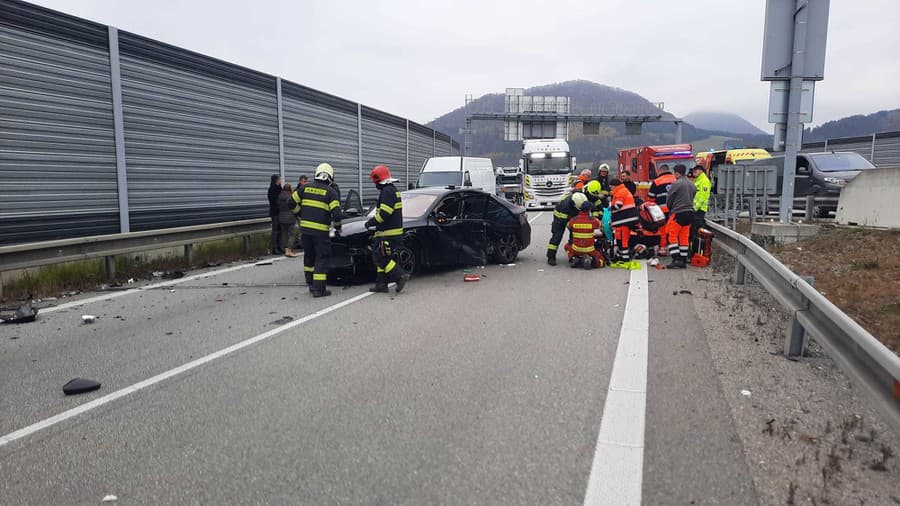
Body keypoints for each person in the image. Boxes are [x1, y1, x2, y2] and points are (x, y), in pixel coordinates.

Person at [292, 163, 342, 297]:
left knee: (309, 257)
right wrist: (337, 227)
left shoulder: (305, 188)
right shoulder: (331, 192)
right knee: (321, 258)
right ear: (330, 176)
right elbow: (337, 214)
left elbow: (290, 203)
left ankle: (310, 285)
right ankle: (319, 289)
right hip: (320, 233)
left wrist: (300, 213)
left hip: (306, 231)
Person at [365, 165, 409, 294]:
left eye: (375, 182)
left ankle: (400, 276)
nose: (375, 184)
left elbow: (385, 213)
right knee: (381, 257)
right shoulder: (391, 190)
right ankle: (381, 285)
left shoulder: (387, 191)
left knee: (381, 259)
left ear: (379, 180)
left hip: (388, 233)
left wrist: (370, 223)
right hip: (389, 233)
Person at [665, 164, 697, 269]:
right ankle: (683, 258)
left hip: (678, 213)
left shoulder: (676, 184)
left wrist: (669, 209)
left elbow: (669, 199)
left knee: (671, 235)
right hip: (690, 213)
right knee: (684, 236)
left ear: (677, 173)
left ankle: (676, 258)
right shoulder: (692, 184)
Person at [564, 198, 605, 269]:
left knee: (567, 246)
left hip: (576, 249)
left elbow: (568, 226)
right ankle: (593, 261)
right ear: (589, 210)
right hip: (590, 250)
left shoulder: (573, 220)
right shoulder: (594, 221)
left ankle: (573, 258)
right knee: (602, 260)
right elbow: (601, 227)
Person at [546, 191, 585, 266]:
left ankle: (573, 255)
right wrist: (572, 226)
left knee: (574, 236)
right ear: (573, 204)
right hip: (559, 218)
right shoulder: (565, 205)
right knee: (557, 237)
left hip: (572, 216)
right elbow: (563, 220)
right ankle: (551, 257)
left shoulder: (581, 199)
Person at [609, 178, 640, 260]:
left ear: (615, 186)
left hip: (623, 219)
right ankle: (621, 256)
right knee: (622, 239)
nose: (611, 189)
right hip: (627, 219)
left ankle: (625, 258)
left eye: (611, 187)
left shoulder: (620, 192)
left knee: (623, 240)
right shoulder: (624, 190)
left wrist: (610, 208)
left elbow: (618, 205)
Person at [276, 184, 299, 257]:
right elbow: (292, 206)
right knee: (292, 234)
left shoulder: (279, 196)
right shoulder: (290, 197)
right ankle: (289, 250)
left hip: (281, 217)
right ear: (290, 189)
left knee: (284, 234)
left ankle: (285, 250)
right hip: (290, 217)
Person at [288, 175, 309, 251]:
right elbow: (292, 203)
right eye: (304, 181)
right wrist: (299, 212)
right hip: (299, 214)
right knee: (302, 230)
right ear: (300, 181)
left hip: (303, 213)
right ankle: (302, 245)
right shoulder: (298, 191)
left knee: (302, 230)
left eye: (306, 181)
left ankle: (302, 244)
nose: (306, 183)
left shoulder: (306, 190)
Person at [690, 164, 711, 240]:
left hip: (700, 209)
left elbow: (703, 196)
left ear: (700, 171)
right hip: (696, 208)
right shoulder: (698, 180)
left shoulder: (704, 181)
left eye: (695, 172)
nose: (693, 174)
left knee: (697, 228)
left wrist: (695, 207)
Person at [267, 174, 283, 254]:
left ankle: (280, 246)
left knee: (280, 230)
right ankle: (275, 248)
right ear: (277, 180)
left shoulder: (279, 188)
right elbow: (274, 201)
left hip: (280, 212)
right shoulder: (272, 189)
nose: (281, 181)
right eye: (280, 179)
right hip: (275, 212)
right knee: (275, 230)